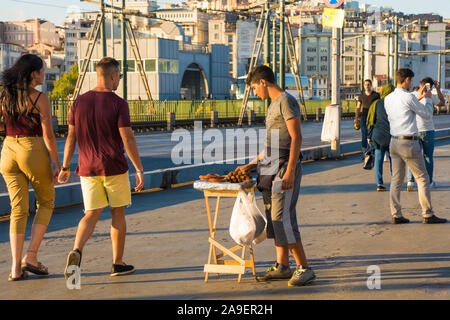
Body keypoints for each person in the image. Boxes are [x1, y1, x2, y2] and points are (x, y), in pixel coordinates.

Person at [58, 57, 145, 279]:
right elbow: (128, 138)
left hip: (87, 167)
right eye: (119, 76)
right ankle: (117, 263)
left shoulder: (78, 102)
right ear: (113, 75)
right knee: (117, 212)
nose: (119, 81)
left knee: (91, 214)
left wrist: (65, 166)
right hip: (114, 166)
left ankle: (77, 250)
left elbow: (71, 137)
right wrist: (139, 169)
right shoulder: (118, 103)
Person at [235, 65, 315, 287]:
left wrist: (290, 170)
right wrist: (251, 164)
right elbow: (270, 145)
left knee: (283, 218)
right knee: (273, 219)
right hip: (270, 164)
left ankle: (304, 268)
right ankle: (282, 266)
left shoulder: (286, 101)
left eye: (253, 88)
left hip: (282, 167)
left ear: (263, 82)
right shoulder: (272, 106)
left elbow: (296, 137)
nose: (253, 93)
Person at [0, 54, 60, 281]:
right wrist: (58, 164)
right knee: (46, 202)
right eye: (42, 71)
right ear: (33, 73)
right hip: (31, 149)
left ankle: (15, 269)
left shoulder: (5, 96)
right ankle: (31, 256)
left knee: (18, 210)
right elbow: (49, 136)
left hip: (8, 151)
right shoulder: (39, 98)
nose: (44, 75)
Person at [384, 68, 446, 224]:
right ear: (406, 80)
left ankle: (396, 214)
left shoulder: (388, 98)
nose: (411, 83)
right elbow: (426, 114)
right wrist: (427, 99)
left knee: (396, 180)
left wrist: (420, 96)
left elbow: (407, 104)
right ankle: (427, 214)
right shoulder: (408, 97)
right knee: (422, 178)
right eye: (410, 80)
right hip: (409, 142)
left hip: (394, 142)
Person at [406, 78, 445, 191]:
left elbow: (442, 103)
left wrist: (437, 89)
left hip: (415, 131)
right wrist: (425, 95)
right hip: (427, 131)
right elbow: (441, 102)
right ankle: (429, 182)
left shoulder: (414, 95)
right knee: (428, 157)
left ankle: (410, 181)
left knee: (412, 157)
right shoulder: (421, 95)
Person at [367, 83, 394, 192]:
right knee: (394, 159)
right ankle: (395, 181)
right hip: (391, 135)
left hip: (377, 135)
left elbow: (370, 121)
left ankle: (379, 183)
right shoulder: (394, 104)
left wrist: (369, 136)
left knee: (378, 159)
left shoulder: (376, 104)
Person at [355, 79, 380, 153]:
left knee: (372, 134)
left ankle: (372, 151)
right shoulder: (361, 96)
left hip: (373, 118)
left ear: (371, 86)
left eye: (368, 84)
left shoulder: (376, 95)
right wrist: (356, 118)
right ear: (364, 86)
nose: (367, 86)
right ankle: (364, 152)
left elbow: (379, 105)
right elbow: (358, 107)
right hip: (364, 117)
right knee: (364, 134)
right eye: (365, 85)